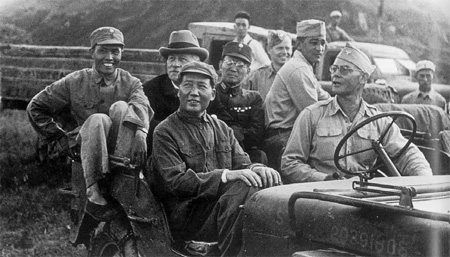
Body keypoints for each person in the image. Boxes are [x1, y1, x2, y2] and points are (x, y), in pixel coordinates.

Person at [151, 61, 281, 256]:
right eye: (187, 85)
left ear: (212, 94)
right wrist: (226, 175)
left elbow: (242, 163)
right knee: (245, 186)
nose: (194, 92)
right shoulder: (165, 131)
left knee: (262, 181)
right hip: (187, 215)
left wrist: (257, 168)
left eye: (201, 86)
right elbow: (177, 182)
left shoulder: (221, 128)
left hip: (221, 209)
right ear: (178, 91)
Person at [27, 27, 152, 220]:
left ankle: (122, 179)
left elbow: (141, 104)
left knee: (121, 107)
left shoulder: (131, 82)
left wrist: (141, 132)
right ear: (92, 52)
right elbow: (36, 106)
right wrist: (59, 138)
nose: (109, 57)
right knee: (97, 119)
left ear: (122, 53)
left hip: (120, 152)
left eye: (115, 51)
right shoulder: (74, 81)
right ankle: (93, 192)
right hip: (86, 147)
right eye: (102, 50)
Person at [281, 43, 432, 183]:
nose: (335, 74)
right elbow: (290, 163)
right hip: (322, 196)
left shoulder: (378, 120)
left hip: (363, 195)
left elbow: (407, 154)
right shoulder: (312, 115)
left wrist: (424, 180)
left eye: (344, 70)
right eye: (334, 69)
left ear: (363, 78)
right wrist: (324, 179)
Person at [263, 19, 331, 171]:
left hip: (290, 136)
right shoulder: (298, 69)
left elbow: (324, 97)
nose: (319, 48)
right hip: (284, 140)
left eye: (322, 43)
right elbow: (315, 115)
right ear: (299, 44)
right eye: (314, 43)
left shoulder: (303, 67)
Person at [142, 30, 209, 155]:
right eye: (171, 59)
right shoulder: (151, 89)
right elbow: (148, 127)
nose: (175, 64)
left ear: (196, 64)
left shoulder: (207, 91)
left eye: (182, 59)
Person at [207, 42, 266, 164]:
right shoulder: (210, 93)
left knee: (260, 157)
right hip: (212, 151)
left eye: (240, 65)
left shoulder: (253, 98)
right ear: (220, 65)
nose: (233, 68)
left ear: (248, 71)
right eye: (229, 62)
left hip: (244, 153)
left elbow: (256, 135)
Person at [241, 30, 293, 100]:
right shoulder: (257, 77)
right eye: (280, 48)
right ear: (269, 49)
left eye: (287, 48)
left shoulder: (299, 74)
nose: (284, 52)